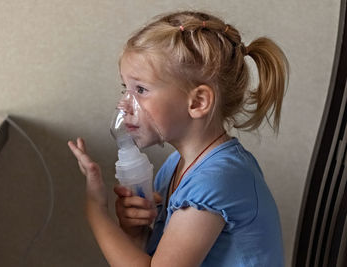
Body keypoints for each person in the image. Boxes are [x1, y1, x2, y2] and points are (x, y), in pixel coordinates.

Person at [68, 10, 289, 267]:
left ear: (197, 102)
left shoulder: (216, 180)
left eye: (140, 90)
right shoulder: (176, 166)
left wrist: (96, 211)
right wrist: (136, 233)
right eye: (125, 89)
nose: (124, 105)